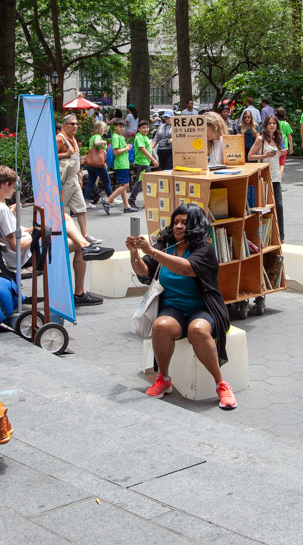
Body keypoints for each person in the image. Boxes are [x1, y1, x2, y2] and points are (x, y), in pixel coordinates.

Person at [127, 204, 236, 409]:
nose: (178, 226)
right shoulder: (165, 245)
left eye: (184, 223)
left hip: (204, 307)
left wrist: (152, 251)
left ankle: (221, 384)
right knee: (161, 325)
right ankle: (164, 379)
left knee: (197, 330)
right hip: (173, 306)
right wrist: (135, 253)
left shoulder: (205, 249)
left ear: (196, 225)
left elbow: (187, 269)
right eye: (176, 222)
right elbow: (144, 270)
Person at [0, 165, 107, 306]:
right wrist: (38, 235)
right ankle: (80, 291)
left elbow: (8, 232)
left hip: (13, 253)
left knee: (64, 218)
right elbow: (17, 245)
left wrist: (28, 230)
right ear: (6, 185)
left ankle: (86, 245)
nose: (14, 191)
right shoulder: (2, 210)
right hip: (26, 255)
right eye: (14, 187)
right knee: (76, 243)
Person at [57, 115, 94, 241]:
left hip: (73, 178)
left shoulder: (72, 138)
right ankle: (55, 233)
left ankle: (85, 236)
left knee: (81, 207)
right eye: (72, 124)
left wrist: (79, 174)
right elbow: (51, 156)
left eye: (76, 124)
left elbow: (75, 160)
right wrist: (65, 154)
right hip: (65, 180)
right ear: (64, 125)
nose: (75, 126)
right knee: (58, 208)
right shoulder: (59, 139)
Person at [248, 115, 285, 237]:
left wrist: (280, 154)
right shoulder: (260, 139)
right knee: (265, 206)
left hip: (275, 175)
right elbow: (250, 156)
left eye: (274, 123)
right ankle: (265, 235)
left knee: (278, 206)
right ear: (266, 125)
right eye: (270, 123)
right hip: (264, 175)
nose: (272, 125)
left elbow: (276, 158)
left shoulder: (278, 138)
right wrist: (265, 156)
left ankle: (281, 235)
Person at [101, 119, 136, 214]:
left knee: (122, 185)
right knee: (126, 185)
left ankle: (126, 206)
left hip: (123, 163)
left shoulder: (120, 137)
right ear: (115, 127)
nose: (122, 128)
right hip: (121, 164)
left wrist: (126, 147)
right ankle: (107, 201)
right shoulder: (116, 137)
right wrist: (127, 148)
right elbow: (115, 151)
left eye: (123, 127)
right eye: (120, 127)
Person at [128, 119, 157, 209]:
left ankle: (147, 201)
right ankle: (131, 200)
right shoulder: (139, 136)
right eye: (143, 127)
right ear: (139, 129)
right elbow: (142, 149)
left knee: (145, 182)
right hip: (142, 163)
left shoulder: (145, 137)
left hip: (145, 162)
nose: (146, 129)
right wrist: (153, 159)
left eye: (147, 127)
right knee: (140, 182)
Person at [85, 120, 113, 207]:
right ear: (100, 128)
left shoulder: (92, 137)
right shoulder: (98, 136)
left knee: (91, 182)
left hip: (91, 163)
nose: (105, 129)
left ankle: (86, 201)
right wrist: (104, 142)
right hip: (98, 164)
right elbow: (97, 143)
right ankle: (111, 198)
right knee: (107, 182)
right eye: (104, 128)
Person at [276, 107, 294, 180]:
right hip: (284, 146)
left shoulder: (274, 123)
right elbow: (289, 137)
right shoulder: (286, 124)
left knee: (275, 164)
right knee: (281, 165)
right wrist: (291, 147)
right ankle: (279, 181)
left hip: (276, 145)